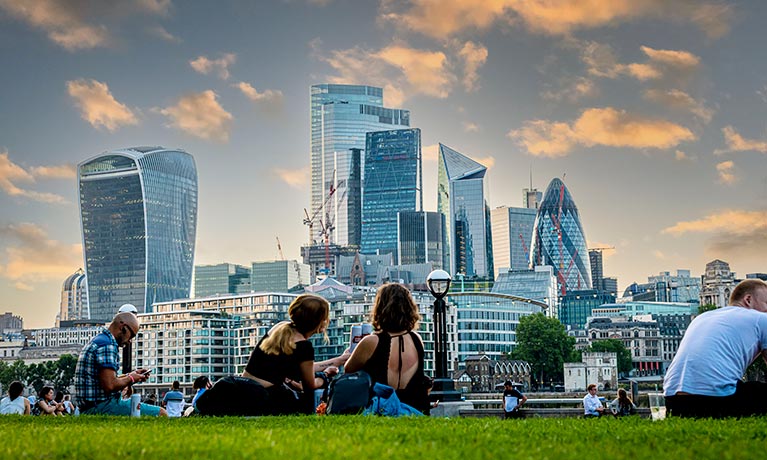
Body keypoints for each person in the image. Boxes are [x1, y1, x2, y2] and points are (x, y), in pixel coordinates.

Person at [664, 279, 767, 418]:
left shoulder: (701, 317)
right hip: (718, 400)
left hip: (674, 402)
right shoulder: (761, 319)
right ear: (748, 299)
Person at [238, 294, 341, 415]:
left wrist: (340, 360)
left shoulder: (279, 329)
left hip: (243, 391)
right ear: (319, 321)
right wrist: (325, 377)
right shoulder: (303, 346)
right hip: (265, 397)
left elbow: (302, 367)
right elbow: (310, 385)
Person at [344, 283, 431, 414]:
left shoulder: (371, 341)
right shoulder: (417, 340)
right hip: (414, 408)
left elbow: (348, 369)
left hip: (380, 408)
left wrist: (350, 354)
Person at [74, 312, 166, 416]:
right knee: (161, 413)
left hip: (90, 407)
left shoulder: (100, 340)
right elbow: (110, 385)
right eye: (131, 335)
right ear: (123, 327)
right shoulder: (107, 345)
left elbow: (105, 380)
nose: (130, 341)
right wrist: (131, 378)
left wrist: (132, 375)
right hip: (102, 406)